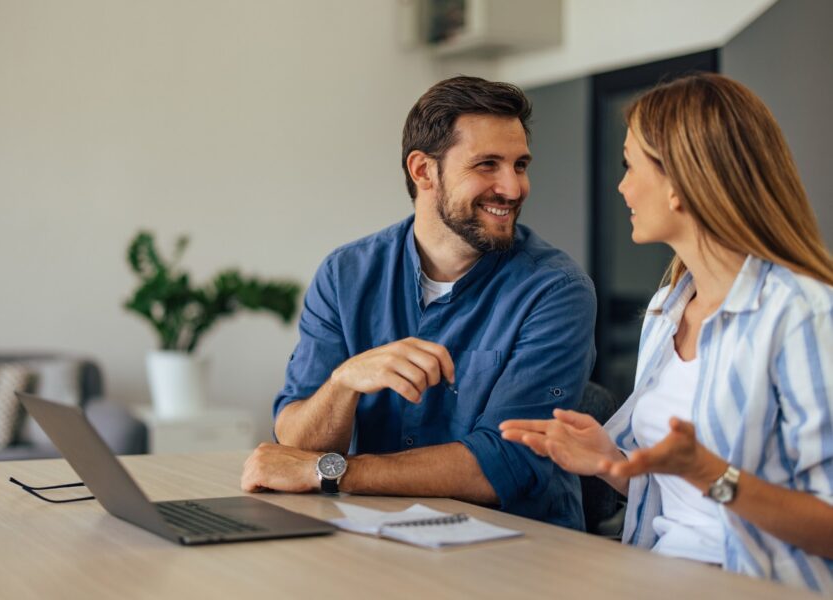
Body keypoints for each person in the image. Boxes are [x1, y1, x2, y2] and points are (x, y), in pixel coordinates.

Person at [500, 73, 833, 591]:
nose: (622, 186)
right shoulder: (666, 310)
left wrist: (712, 475)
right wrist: (611, 462)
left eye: (631, 166)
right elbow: (670, 497)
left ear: (679, 182)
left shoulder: (802, 314)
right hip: (652, 573)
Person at [240, 76, 596, 528]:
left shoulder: (556, 290)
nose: (513, 187)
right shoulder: (345, 274)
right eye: (487, 165)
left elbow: (508, 464)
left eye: (520, 165)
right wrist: (344, 383)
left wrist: (332, 472)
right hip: (375, 533)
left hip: (516, 548)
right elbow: (295, 439)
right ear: (423, 171)